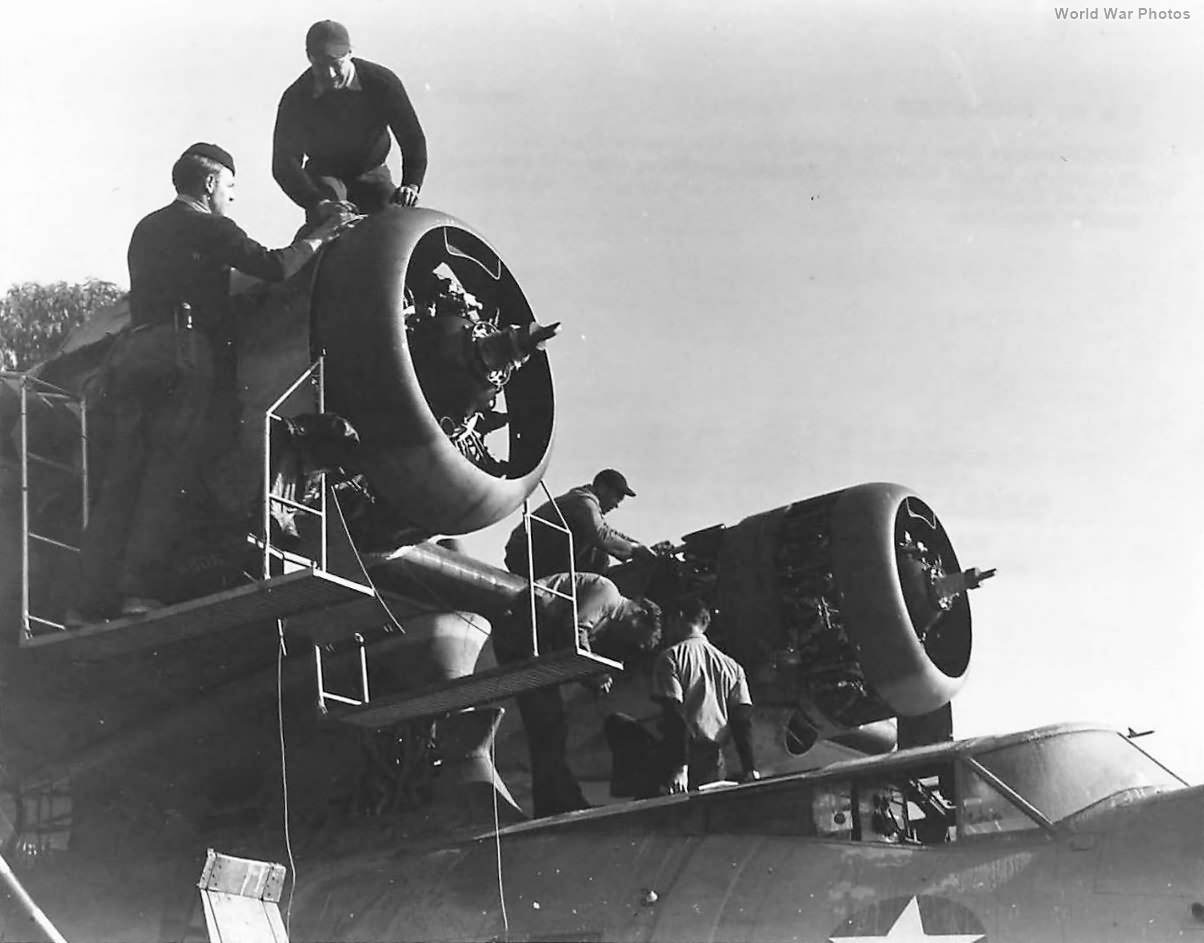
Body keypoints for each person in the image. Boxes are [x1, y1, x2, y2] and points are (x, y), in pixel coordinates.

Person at [71, 143, 353, 621]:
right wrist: (323, 236)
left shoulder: (147, 227)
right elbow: (275, 266)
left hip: (135, 354)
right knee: (168, 476)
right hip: (183, 353)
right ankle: (138, 592)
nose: (231, 197)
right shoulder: (211, 226)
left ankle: (84, 605)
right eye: (229, 186)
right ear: (209, 184)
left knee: (120, 483)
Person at [491, 571, 662, 818]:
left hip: (530, 633)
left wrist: (590, 678)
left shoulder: (606, 612)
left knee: (549, 726)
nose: (629, 639)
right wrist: (594, 674)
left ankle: (553, 799)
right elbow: (575, 633)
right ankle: (556, 800)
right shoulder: (608, 593)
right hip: (527, 625)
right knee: (548, 724)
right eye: (636, 635)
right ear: (639, 614)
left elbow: (569, 641)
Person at [272, 20, 428, 225]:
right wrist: (317, 202)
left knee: (394, 222)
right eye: (320, 66)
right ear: (309, 58)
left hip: (372, 172)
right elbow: (284, 162)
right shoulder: (296, 98)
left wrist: (411, 184)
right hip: (325, 177)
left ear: (350, 54)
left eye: (335, 64)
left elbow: (412, 138)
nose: (330, 74)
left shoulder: (382, 83)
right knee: (330, 221)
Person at [606, 599, 759, 798]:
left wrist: (680, 768)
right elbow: (742, 721)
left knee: (616, 723)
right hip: (714, 761)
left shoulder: (671, 657)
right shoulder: (733, 667)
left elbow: (675, 716)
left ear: (678, 617)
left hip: (681, 757)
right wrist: (750, 768)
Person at [503, 468, 656, 579]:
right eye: (617, 497)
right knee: (598, 549)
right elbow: (601, 535)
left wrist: (638, 545)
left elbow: (608, 532)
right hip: (525, 554)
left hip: (533, 551)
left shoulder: (585, 502)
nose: (616, 505)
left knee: (599, 552)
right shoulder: (583, 502)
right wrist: (635, 550)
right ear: (602, 488)